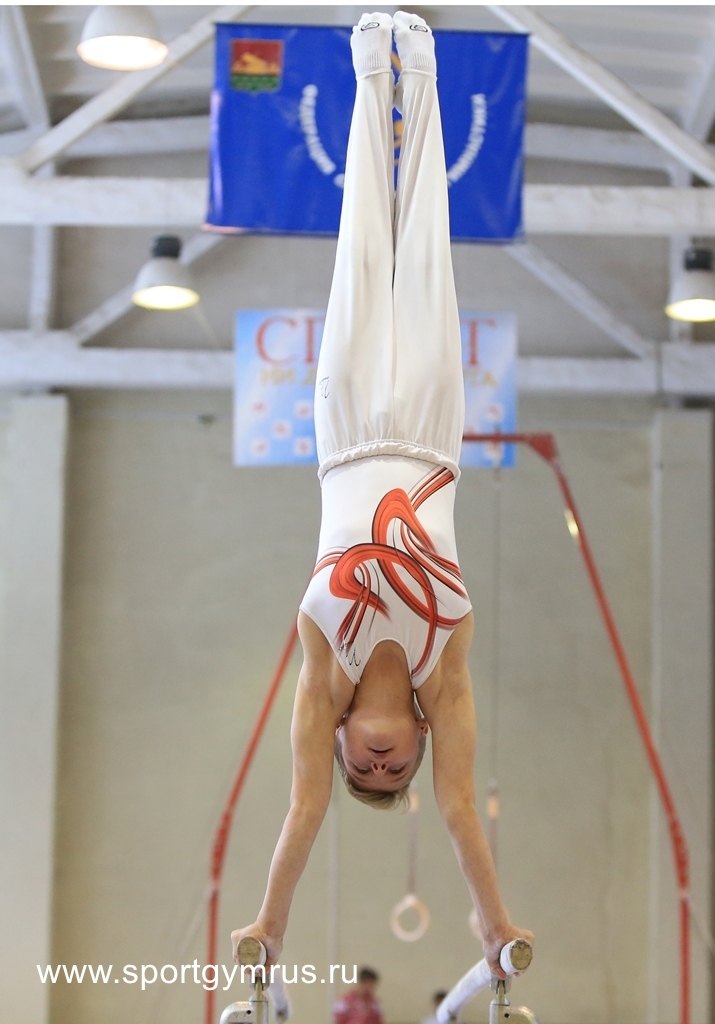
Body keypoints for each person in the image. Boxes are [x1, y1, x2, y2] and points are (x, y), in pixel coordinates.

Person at [231, 10, 533, 979]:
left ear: (339, 738)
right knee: (428, 243)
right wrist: (493, 923)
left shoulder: (324, 669)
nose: (377, 762)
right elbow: (458, 808)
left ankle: (373, 64)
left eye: (362, 766)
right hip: (434, 427)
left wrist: (269, 925)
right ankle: (424, 67)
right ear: (417, 741)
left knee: (363, 249)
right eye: (392, 768)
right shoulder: (448, 675)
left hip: (350, 426)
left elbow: (302, 807)